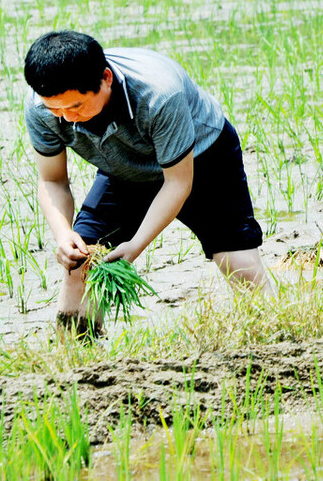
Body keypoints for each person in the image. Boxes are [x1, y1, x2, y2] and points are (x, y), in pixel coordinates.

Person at [23, 31, 270, 337]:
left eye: (76, 107)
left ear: (106, 78)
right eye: (56, 110)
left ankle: (273, 338)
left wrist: (136, 245)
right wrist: (63, 234)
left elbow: (177, 183)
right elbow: (52, 180)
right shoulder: (41, 106)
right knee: (81, 261)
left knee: (237, 261)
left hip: (202, 157)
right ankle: (76, 361)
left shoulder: (159, 95)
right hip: (124, 167)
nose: (67, 118)